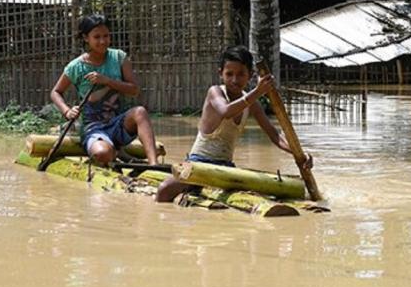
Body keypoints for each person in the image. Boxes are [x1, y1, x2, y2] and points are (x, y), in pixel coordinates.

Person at [156, 45, 312, 203]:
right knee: (163, 190)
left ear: (250, 75)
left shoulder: (252, 103)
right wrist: (258, 91)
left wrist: (299, 153)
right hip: (198, 164)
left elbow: (274, 135)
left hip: (226, 167)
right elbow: (225, 111)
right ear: (220, 74)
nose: (235, 80)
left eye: (241, 74)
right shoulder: (215, 92)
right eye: (229, 74)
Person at [50, 14, 159, 166]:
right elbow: (55, 92)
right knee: (102, 153)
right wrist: (67, 111)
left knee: (140, 112)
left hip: (119, 124)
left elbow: (134, 90)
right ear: (86, 38)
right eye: (97, 37)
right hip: (93, 129)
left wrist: (107, 81)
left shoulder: (118, 57)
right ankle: (115, 153)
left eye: (106, 36)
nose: (103, 41)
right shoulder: (76, 66)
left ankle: (154, 164)